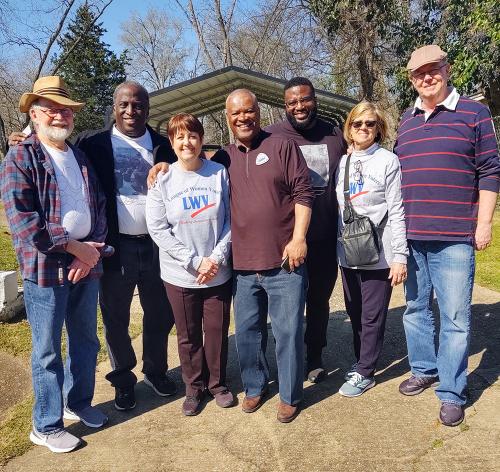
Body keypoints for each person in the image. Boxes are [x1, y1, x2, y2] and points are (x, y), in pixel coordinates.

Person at [10, 81, 179, 410]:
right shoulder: (91, 143)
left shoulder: (163, 145)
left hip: (158, 245)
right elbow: (51, 144)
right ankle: (123, 379)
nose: (132, 111)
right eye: (125, 104)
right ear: (114, 108)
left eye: (139, 104)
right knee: (115, 316)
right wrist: (20, 138)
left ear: (148, 108)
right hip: (115, 247)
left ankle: (156, 371)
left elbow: (189, 166)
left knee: (159, 313)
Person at [0, 76, 107, 453]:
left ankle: (77, 403)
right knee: (46, 349)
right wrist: (74, 248)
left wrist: (90, 252)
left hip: (85, 265)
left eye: (66, 109)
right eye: (51, 108)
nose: (60, 115)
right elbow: (24, 221)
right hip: (46, 270)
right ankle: (44, 425)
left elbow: (99, 206)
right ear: (34, 113)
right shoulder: (21, 157)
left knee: (85, 341)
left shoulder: (78, 156)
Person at [395, 45, 500, 426]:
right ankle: (424, 368)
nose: (426, 77)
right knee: (416, 309)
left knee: (455, 317)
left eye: (432, 69)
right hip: (412, 236)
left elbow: (490, 170)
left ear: (447, 69)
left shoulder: (475, 113)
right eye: (418, 73)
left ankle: (453, 390)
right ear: (411, 79)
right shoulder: (406, 121)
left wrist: (484, 222)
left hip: (455, 235)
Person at [213, 89, 314, 423]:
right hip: (242, 267)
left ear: (258, 112)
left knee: (287, 332)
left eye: (249, 111)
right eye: (236, 113)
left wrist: (299, 238)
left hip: (285, 262)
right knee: (247, 333)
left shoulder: (281, 146)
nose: (243, 117)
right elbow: (188, 170)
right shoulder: (221, 159)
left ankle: (289, 394)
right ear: (227, 118)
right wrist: (161, 168)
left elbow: (304, 193)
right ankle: (255, 386)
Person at [146, 113, 233, 416]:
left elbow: (232, 220)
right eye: (180, 137)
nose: (187, 142)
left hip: (217, 271)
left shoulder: (219, 173)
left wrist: (217, 258)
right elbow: (157, 228)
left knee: (217, 330)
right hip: (180, 273)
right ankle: (193, 387)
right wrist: (194, 261)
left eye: (192, 135)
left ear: (201, 138)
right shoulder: (162, 178)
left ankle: (217, 384)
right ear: (171, 142)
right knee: (188, 334)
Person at [266, 77, 347, 383]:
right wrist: (168, 164)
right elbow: (236, 156)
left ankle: (314, 355)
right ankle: (286, 357)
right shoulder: (271, 136)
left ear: (315, 99)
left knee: (318, 301)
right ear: (285, 106)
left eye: (305, 99)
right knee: (287, 306)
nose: (299, 107)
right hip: (286, 241)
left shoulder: (334, 135)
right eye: (292, 102)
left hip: (325, 238)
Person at [335, 101, 408, 397]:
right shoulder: (344, 162)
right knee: (355, 311)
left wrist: (400, 256)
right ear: (349, 128)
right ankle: (361, 361)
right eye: (357, 124)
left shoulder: (388, 161)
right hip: (348, 251)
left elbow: (398, 210)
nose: (363, 128)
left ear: (378, 128)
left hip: (379, 252)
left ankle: (366, 372)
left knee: (372, 314)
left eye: (370, 124)